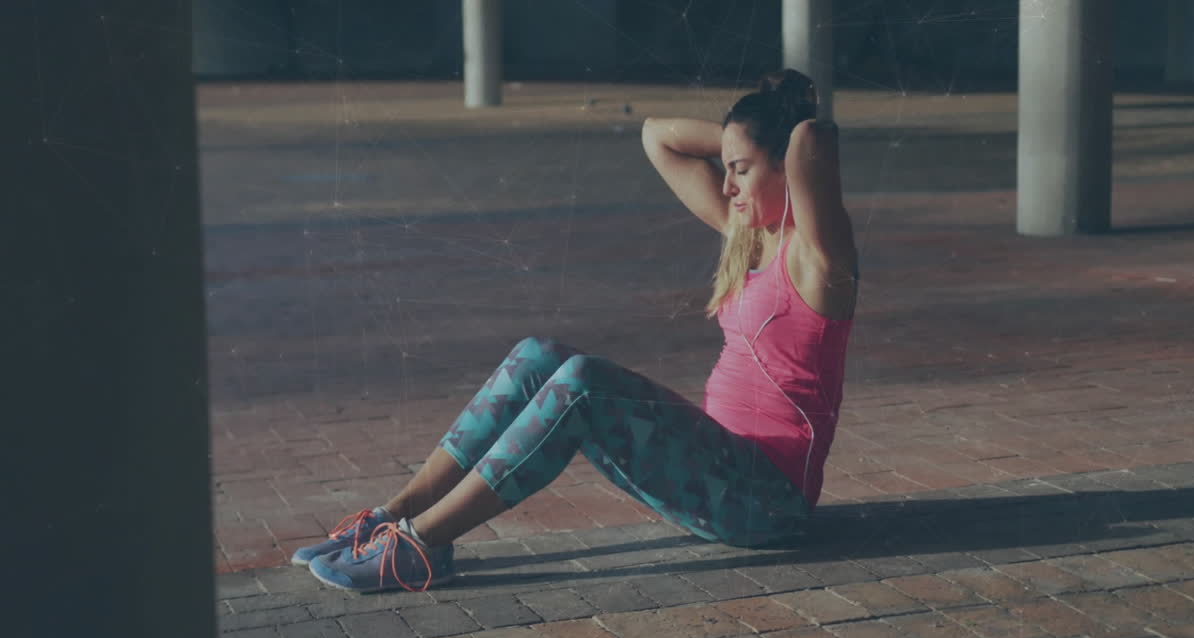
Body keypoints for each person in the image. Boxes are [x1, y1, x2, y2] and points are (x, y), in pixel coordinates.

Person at [295, 69, 860, 593]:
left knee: (583, 384)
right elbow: (656, 136)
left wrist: (775, 127)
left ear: (785, 166)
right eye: (727, 171)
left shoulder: (819, 259)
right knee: (537, 355)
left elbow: (811, 139)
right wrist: (740, 143)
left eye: (741, 170)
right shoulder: (747, 234)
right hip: (715, 472)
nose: (729, 186)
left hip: (765, 503)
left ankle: (422, 545)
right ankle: (391, 519)